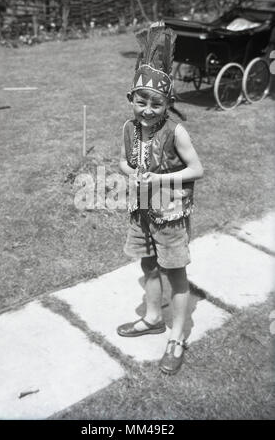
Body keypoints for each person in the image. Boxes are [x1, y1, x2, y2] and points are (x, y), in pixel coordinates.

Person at [116, 23, 204, 375]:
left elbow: (196, 169)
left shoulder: (176, 131)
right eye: (141, 101)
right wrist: (128, 170)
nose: (148, 109)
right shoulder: (128, 128)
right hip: (140, 212)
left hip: (169, 213)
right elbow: (125, 160)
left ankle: (177, 337)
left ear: (168, 103)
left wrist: (162, 177)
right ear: (131, 99)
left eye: (156, 103)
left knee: (175, 272)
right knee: (148, 265)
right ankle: (153, 318)